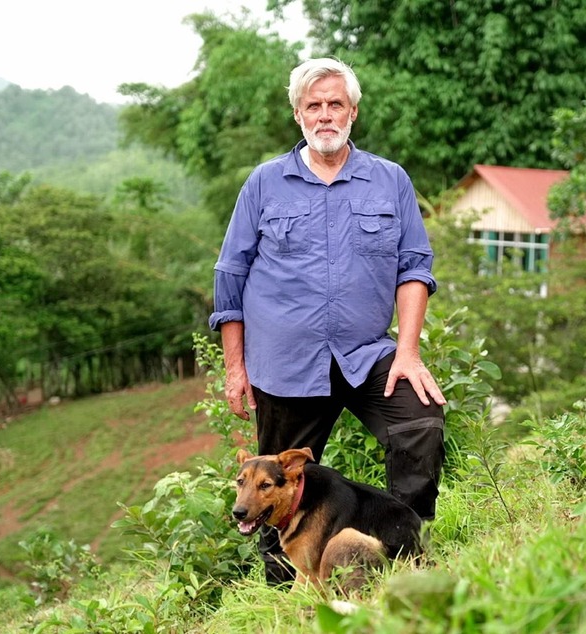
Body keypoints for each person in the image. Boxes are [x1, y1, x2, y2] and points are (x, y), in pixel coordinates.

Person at [209, 57, 446, 585]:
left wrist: (407, 352)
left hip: (366, 354)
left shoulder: (390, 181)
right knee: (273, 485)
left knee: (420, 422)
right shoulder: (265, 184)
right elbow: (231, 277)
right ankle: (281, 588)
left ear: (353, 113)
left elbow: (414, 266)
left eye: (334, 104)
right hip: (283, 363)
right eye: (312, 105)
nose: (324, 115)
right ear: (297, 116)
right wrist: (235, 368)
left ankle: (405, 551)